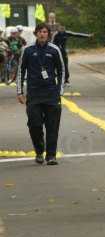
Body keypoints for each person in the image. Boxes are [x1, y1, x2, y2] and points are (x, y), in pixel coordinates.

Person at [16, 23, 65, 165]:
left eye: (45, 32)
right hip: (34, 95)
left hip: (51, 94)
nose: (43, 34)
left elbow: (62, 71)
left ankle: (51, 156)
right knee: (34, 125)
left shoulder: (54, 50)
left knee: (52, 126)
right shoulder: (28, 50)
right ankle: (39, 151)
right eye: (40, 32)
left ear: (48, 34)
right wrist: (20, 92)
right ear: (35, 33)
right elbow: (21, 70)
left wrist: (59, 91)